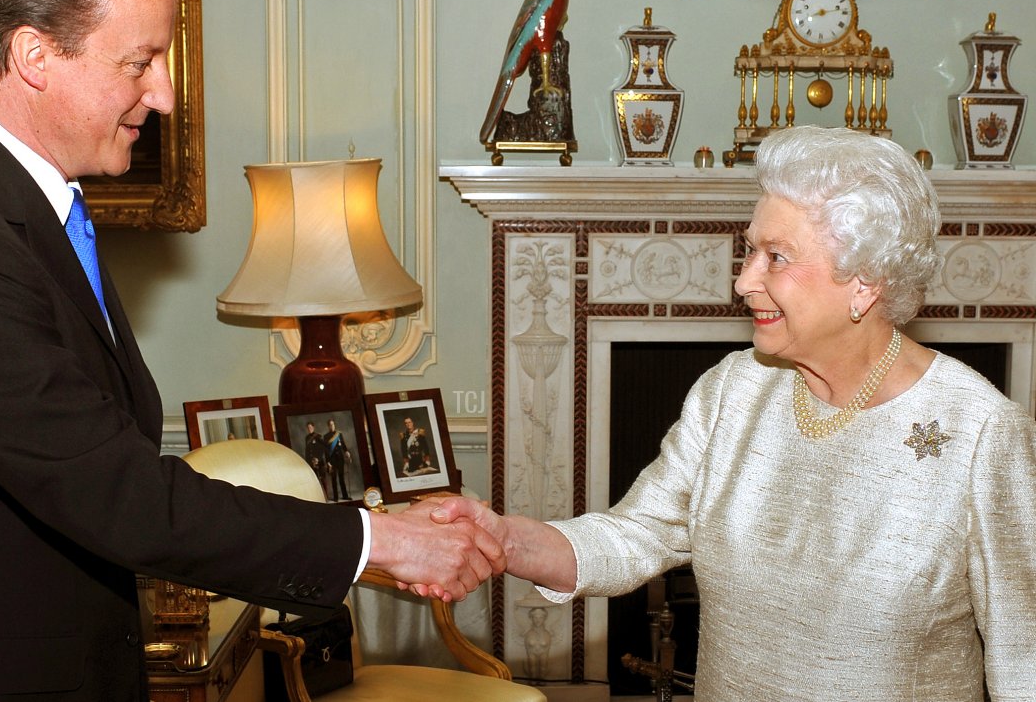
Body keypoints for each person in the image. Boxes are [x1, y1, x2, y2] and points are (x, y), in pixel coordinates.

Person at [0, 0, 502, 701]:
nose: (165, 95)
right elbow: (115, 493)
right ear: (34, 54)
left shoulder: (20, 206)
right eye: (138, 61)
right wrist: (374, 541)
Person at [430, 126, 1036, 701]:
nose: (744, 281)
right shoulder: (733, 391)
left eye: (776, 257)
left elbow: (1022, 654)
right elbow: (636, 535)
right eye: (751, 251)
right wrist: (504, 540)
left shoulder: (980, 431)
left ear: (865, 281)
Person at [324, 417, 353, 501]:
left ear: (334, 425)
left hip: (340, 459)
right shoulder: (326, 436)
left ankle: (345, 495)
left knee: (341, 478)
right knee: (334, 479)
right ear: (328, 426)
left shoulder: (339, 434)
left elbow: (343, 444)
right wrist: (328, 462)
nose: (331, 426)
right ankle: (336, 497)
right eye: (330, 425)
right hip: (332, 460)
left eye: (332, 424)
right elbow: (326, 450)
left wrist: (346, 451)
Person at [304, 420, 330, 499]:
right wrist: (309, 461)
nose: (309, 429)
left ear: (313, 427)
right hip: (312, 462)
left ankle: (326, 496)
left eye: (311, 427)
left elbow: (323, 448)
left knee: (323, 479)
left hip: (320, 461)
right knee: (315, 480)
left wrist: (317, 458)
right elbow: (308, 451)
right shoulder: (307, 438)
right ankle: (319, 496)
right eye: (308, 428)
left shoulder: (318, 436)